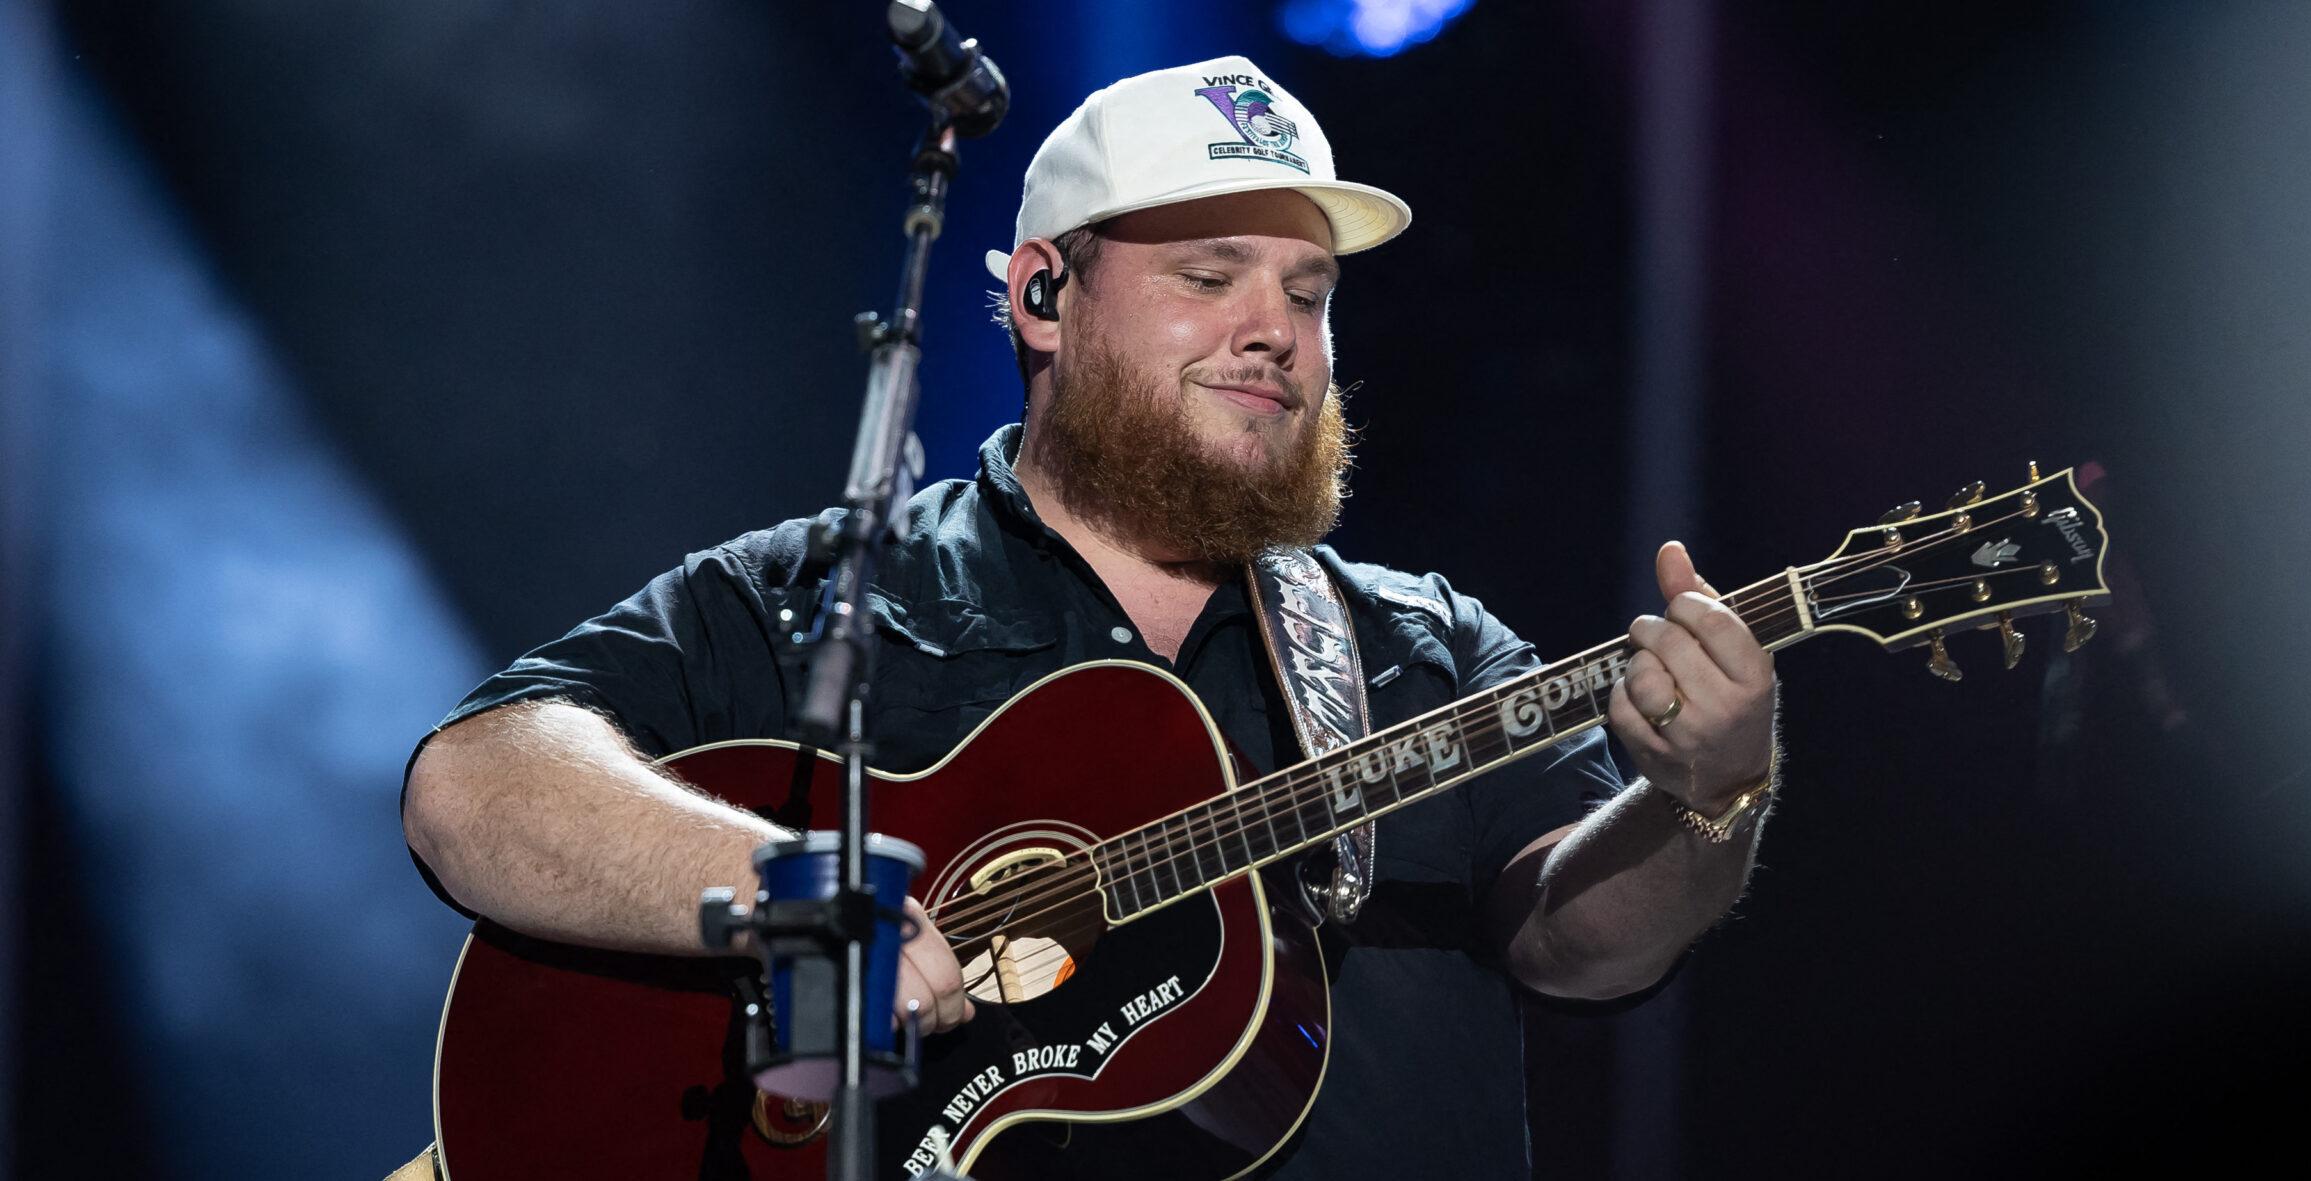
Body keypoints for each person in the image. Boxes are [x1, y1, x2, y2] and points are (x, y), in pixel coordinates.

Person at [402, 55, 1779, 1179]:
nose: (1276, 333)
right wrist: (794, 895)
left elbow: (1585, 945)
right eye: (1210, 277)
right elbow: (474, 783)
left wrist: (1707, 802)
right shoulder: (834, 595)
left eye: (1309, 295)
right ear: (1042, 295)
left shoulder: (1425, 649)